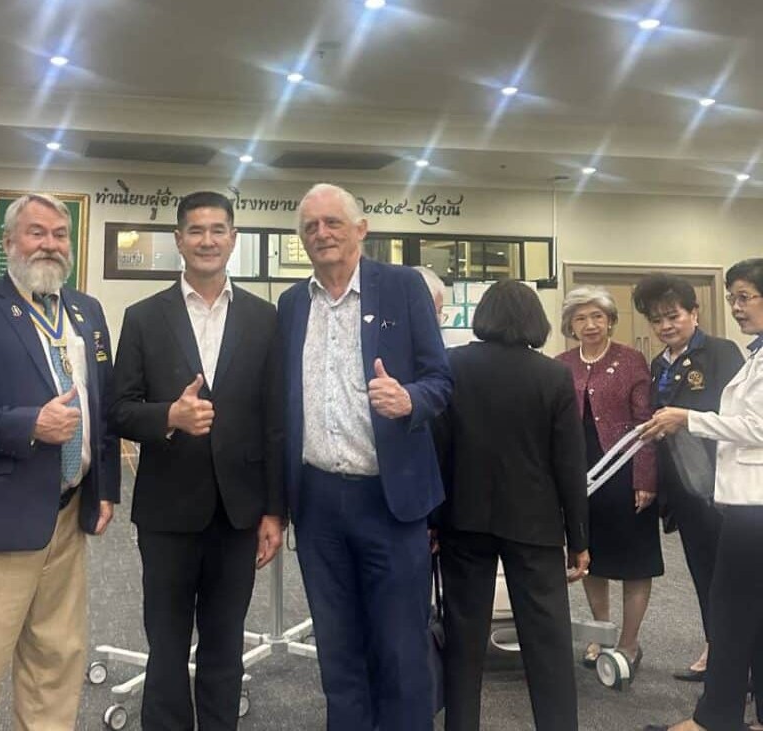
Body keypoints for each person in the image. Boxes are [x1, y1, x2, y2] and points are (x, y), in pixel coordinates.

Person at [0, 193, 120, 730]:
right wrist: (27, 424)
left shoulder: (86, 311)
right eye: (37, 233)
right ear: (8, 241)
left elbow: (101, 406)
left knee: (57, 657)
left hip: (67, 514)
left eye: (60, 234)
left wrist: (104, 488)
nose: (50, 245)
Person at [277, 183, 452, 730]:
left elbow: (441, 380)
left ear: (361, 230)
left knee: (400, 650)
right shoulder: (292, 304)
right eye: (310, 226)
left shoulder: (402, 287)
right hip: (318, 503)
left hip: (389, 501)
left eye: (332, 222)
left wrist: (409, 400)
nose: (321, 233)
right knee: (338, 650)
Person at [110, 191, 284, 731]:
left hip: (239, 513)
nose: (207, 240)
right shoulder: (144, 318)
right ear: (178, 240)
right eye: (196, 230)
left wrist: (274, 511)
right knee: (165, 645)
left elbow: (275, 421)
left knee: (225, 645)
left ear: (233, 239)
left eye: (217, 230)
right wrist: (169, 415)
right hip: (167, 511)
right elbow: (119, 409)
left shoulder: (264, 318)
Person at [436, 280, 588, 729]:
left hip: (463, 518)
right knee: (548, 640)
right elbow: (569, 463)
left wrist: (432, 521)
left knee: (463, 637)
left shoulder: (452, 365)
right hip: (535, 523)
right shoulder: (554, 375)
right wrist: (579, 538)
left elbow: (438, 450)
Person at [641, 258, 763, 731]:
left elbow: (754, 426)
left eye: (745, 297)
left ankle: (715, 718)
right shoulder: (754, 354)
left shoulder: (725, 353)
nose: (736, 306)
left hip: (749, 502)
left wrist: (687, 419)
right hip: (733, 496)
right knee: (743, 607)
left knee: (731, 608)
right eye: (732, 298)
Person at [633, 273, 744, 682]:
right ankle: (717, 648)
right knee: (702, 570)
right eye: (656, 319)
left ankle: (738, 661)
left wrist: (686, 419)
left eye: (673, 315)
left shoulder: (720, 353)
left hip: (720, 483)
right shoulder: (659, 364)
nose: (665, 325)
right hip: (683, 487)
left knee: (731, 575)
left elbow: (738, 417)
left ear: (694, 313)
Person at [557, 286, 659, 672]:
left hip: (625, 472)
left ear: (611, 320)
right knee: (590, 557)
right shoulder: (561, 364)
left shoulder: (631, 360)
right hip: (580, 476)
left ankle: (629, 643)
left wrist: (646, 477)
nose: (590, 324)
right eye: (581, 318)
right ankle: (601, 635)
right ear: (570, 325)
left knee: (636, 561)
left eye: (597, 316)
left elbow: (646, 424)